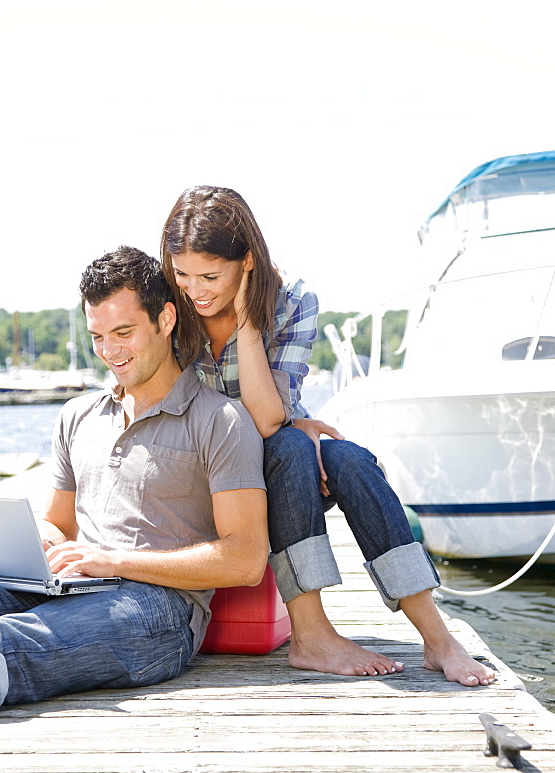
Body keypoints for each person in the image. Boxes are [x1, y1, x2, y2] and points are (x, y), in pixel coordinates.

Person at [0, 247, 268, 726]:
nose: (110, 351)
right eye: (97, 336)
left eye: (124, 332)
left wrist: (114, 561)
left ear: (165, 319)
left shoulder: (219, 420)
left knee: (5, 639)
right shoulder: (77, 416)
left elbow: (246, 558)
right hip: (71, 584)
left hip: (158, 609)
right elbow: (60, 524)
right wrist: (38, 543)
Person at [161, 185, 495, 688]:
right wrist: (290, 423)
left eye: (211, 275)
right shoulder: (168, 301)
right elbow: (268, 421)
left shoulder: (291, 299)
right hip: (202, 465)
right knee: (294, 442)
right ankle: (312, 635)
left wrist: (251, 323)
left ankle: (437, 636)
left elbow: (270, 419)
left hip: (275, 452)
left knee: (351, 461)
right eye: (183, 274)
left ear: (247, 260)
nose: (196, 290)